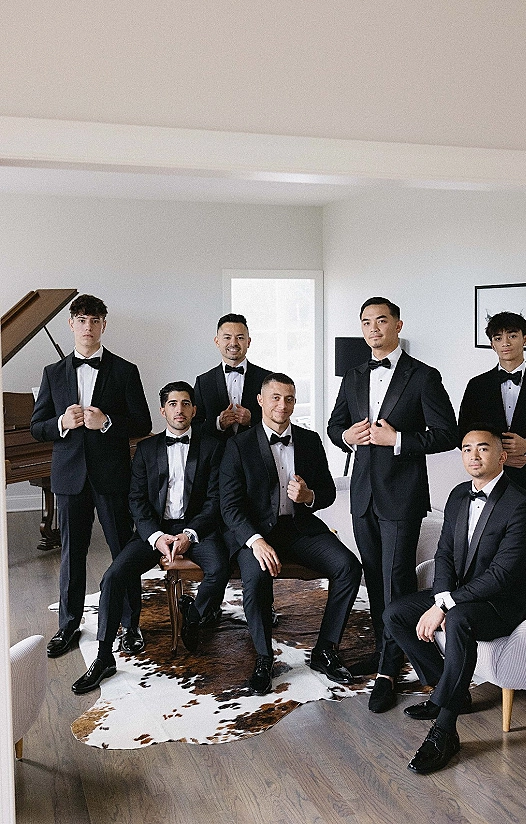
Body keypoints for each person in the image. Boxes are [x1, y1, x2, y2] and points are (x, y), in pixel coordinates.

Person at [376, 425, 526, 774]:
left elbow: (502, 575)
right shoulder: (457, 495)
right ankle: (450, 689)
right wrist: (441, 595)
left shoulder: (523, 505)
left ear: (502, 456)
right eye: (467, 449)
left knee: (458, 620)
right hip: (462, 593)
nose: (473, 455)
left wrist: (443, 606)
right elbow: (444, 554)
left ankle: (445, 730)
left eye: (483, 449)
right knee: (394, 614)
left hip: (508, 601)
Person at [327, 296, 457, 679]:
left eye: (381, 321)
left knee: (396, 578)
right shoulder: (353, 375)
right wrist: (346, 436)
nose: (373, 329)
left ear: (398, 325)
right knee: (373, 575)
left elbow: (447, 433)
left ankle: (389, 665)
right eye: (366, 322)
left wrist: (398, 439)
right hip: (362, 494)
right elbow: (335, 427)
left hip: (402, 494)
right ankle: (389, 651)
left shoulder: (423, 376)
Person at [71, 381, 229, 694]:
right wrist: (156, 537)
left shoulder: (212, 446)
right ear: (163, 410)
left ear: (194, 410)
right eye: (173, 404)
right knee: (113, 577)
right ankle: (104, 657)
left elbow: (215, 501)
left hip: (196, 529)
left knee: (220, 567)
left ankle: (193, 616)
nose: (179, 410)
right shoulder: (146, 449)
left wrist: (189, 534)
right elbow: (136, 501)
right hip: (155, 529)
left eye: (186, 404)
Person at [220, 373, 362, 694]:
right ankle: (263, 657)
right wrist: (255, 541)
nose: (282, 406)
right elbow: (229, 506)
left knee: (348, 567)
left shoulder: (310, 440)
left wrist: (309, 496)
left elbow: (327, 492)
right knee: (255, 578)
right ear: (260, 400)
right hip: (256, 534)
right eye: (275, 398)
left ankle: (325, 650)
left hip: (300, 529)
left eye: (289, 399)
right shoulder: (238, 445)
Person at [31, 294, 152, 659]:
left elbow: (143, 423)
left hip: (114, 477)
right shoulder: (52, 374)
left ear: (103, 324)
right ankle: (69, 624)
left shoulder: (126, 370)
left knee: (123, 553)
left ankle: (131, 626)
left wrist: (108, 423)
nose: (88, 327)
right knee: (72, 554)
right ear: (71, 323)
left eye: (95, 320)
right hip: (69, 479)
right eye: (81, 319)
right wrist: (61, 423)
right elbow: (38, 427)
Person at [459, 311, 526, 504]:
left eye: (512, 335)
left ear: (525, 339)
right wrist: (500, 457)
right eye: (498, 338)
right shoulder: (476, 385)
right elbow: (462, 434)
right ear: (492, 344)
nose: (505, 343)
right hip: (488, 480)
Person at [193, 313, 271, 440]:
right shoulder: (203, 382)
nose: (233, 343)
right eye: (227, 337)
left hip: (255, 454)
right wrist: (218, 424)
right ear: (217, 341)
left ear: (248, 342)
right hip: (217, 456)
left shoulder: (267, 379)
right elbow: (194, 425)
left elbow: (278, 418)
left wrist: (252, 420)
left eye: (240, 338)